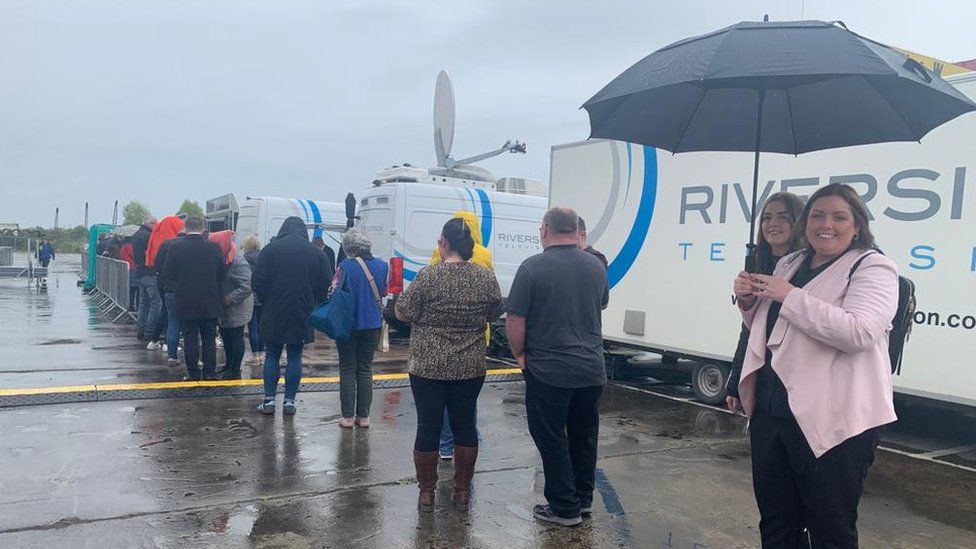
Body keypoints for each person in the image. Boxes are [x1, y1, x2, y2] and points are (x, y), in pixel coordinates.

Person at [732, 183, 899, 548]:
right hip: (773, 413)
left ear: (857, 226)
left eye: (840, 217)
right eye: (818, 215)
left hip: (834, 420)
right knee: (776, 522)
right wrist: (748, 303)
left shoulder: (873, 266)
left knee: (830, 528)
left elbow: (859, 332)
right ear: (805, 222)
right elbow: (771, 329)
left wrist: (790, 296)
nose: (827, 224)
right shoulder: (789, 263)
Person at [506, 206, 609, 527]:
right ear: (575, 230)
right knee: (584, 435)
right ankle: (583, 499)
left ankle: (564, 507)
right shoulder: (595, 266)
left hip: (549, 370)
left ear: (546, 229)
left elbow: (515, 319)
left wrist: (520, 354)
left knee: (550, 436)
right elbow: (601, 303)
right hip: (591, 369)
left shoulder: (532, 268)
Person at [395, 217, 504, 512]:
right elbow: (495, 311)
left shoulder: (429, 276)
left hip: (428, 367)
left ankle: (427, 493)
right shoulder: (484, 278)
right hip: (469, 367)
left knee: (428, 427)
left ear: (444, 243)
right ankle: (462, 491)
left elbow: (403, 311)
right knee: (465, 425)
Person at [726, 192, 805, 413]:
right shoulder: (758, 263)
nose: (773, 224)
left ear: (798, 221)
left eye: (783, 217)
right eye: (767, 218)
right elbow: (750, 331)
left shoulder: (807, 265)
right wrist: (735, 383)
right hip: (761, 376)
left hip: (793, 380)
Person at [428, 211, 493, 460]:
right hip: (475, 335)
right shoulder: (484, 256)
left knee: (443, 394)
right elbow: (493, 301)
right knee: (468, 393)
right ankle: (468, 438)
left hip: (440, 336)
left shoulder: (438, 256)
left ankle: (445, 445)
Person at [251, 217, 332, 415]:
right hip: (303, 311)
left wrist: (267, 299)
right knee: (295, 356)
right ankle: (289, 402)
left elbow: (257, 281)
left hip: (273, 309)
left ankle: (269, 400)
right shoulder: (316, 253)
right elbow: (326, 284)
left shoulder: (270, 250)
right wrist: (314, 302)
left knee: (272, 354)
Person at [330, 229, 388, 428]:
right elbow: (384, 291)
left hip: (348, 324)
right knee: (364, 368)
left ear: (348, 248)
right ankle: (364, 417)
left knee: (347, 369)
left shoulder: (344, 266)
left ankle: (347, 417)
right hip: (372, 323)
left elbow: (332, 292)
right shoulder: (382, 266)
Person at [163, 217, 224, 381]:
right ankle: (210, 372)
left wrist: (180, 288)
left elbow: (167, 275)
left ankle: (193, 372)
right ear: (203, 228)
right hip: (210, 300)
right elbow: (222, 274)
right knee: (209, 338)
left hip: (185, 300)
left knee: (190, 337)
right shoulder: (213, 247)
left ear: (185, 228)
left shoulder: (175, 247)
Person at [210, 230, 253, 380]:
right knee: (226, 335)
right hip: (226, 306)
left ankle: (235, 369)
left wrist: (231, 298)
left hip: (237, 306)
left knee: (236, 337)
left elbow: (247, 285)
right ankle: (228, 365)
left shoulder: (237, 260)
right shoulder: (224, 257)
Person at [146, 217, 186, 351]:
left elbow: (156, 264)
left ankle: (155, 339)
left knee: (165, 310)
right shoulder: (180, 244)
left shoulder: (163, 242)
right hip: (179, 284)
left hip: (162, 283)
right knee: (173, 316)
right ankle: (168, 344)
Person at [131, 216, 160, 341]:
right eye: (156, 224)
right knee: (156, 304)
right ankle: (150, 332)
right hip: (150, 272)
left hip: (140, 272)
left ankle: (140, 331)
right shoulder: (150, 235)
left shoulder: (136, 235)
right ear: (151, 224)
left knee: (143, 304)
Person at [242, 236, 264, 365]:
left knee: (252, 328)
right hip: (262, 297)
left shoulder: (244, 259)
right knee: (262, 327)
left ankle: (255, 354)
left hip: (250, 297)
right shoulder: (264, 258)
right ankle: (261, 353)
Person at [118, 238, 139, 311]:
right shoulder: (134, 247)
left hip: (126, 269)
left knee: (131, 289)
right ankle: (137, 307)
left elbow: (121, 257)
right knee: (138, 289)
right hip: (136, 268)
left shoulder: (123, 248)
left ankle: (130, 306)